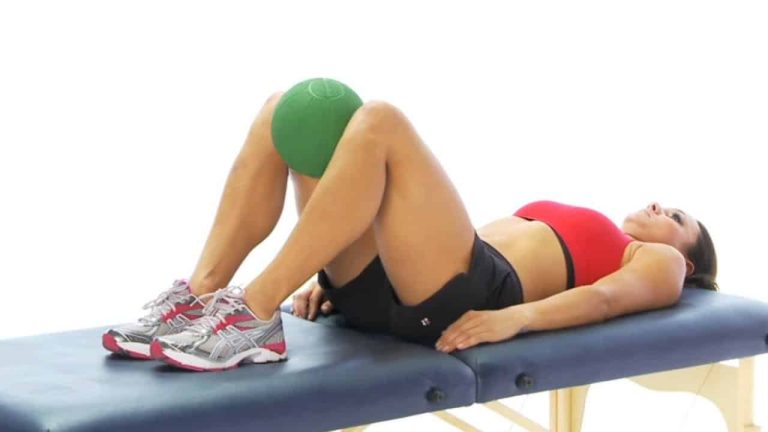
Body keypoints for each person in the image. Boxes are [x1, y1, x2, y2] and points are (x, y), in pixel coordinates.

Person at [102, 91, 718, 372]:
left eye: (677, 218)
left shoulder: (656, 262)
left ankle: (254, 313)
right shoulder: (592, 227)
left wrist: (516, 319)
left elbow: (605, 300)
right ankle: (200, 296)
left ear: (687, 260)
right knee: (291, 111)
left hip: (472, 300)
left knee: (381, 121)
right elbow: (418, 233)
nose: (660, 208)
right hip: (409, 286)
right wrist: (327, 272)